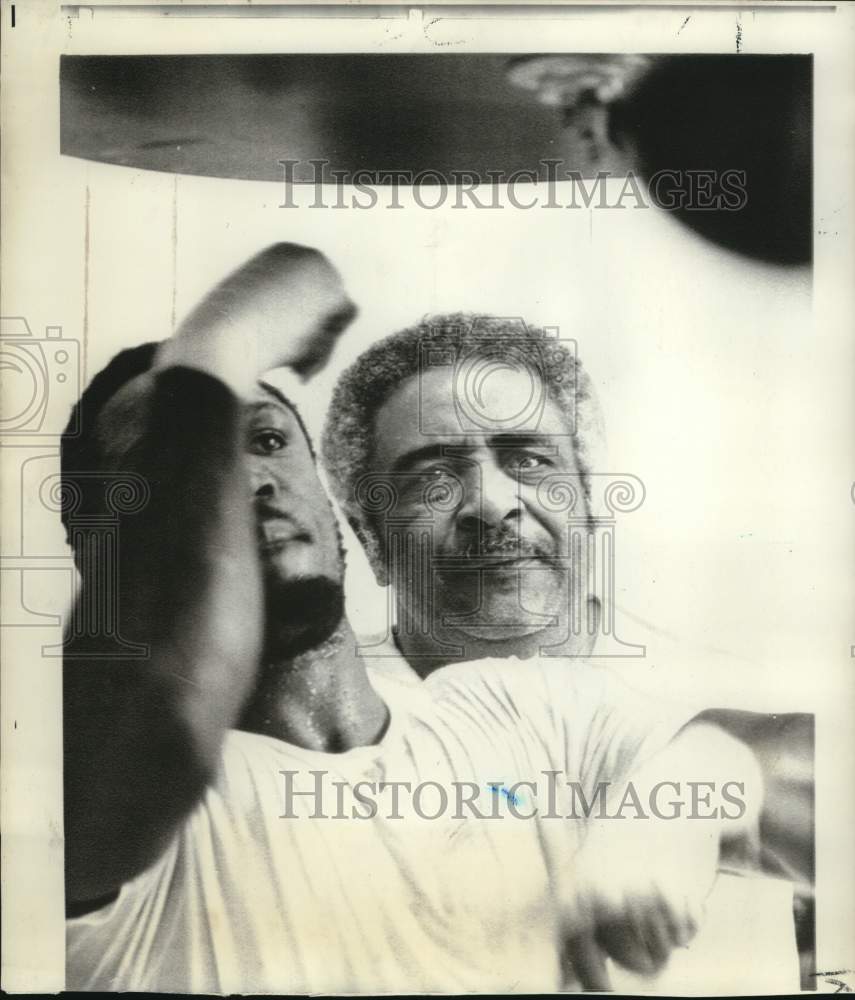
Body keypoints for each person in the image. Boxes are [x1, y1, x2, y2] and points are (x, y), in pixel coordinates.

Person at [63, 246, 763, 993]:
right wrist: (219, 347)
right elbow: (166, 711)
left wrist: (698, 784)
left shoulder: (510, 707)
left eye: (267, 439)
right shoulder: (100, 808)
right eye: (176, 468)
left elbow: (808, 772)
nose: (247, 479)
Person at [322, 313, 605, 676]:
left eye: (530, 461)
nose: (492, 505)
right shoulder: (291, 720)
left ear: (588, 499)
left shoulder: (692, 694)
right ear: (371, 542)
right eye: (434, 479)